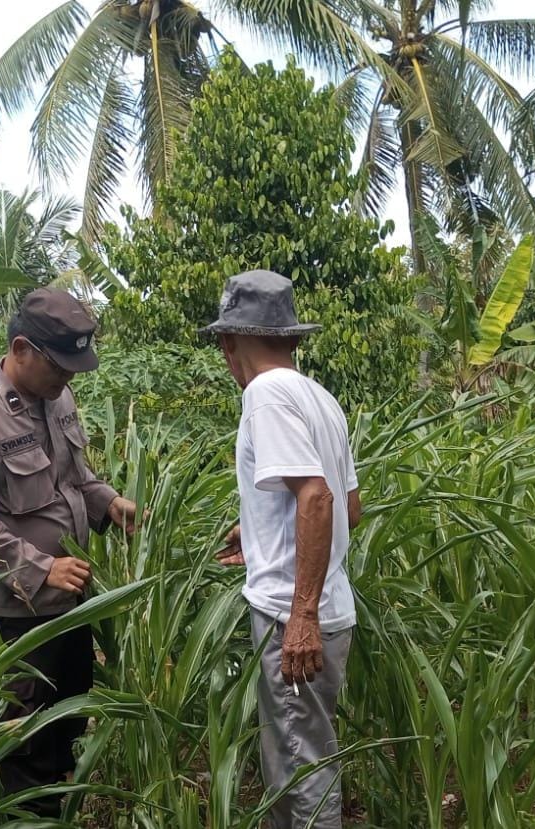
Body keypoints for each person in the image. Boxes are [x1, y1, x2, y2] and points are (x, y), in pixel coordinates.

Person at [0, 287, 139, 817]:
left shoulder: (58, 399)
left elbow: (75, 479)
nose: (68, 378)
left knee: (68, 728)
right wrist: (41, 568)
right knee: (25, 746)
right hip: (18, 618)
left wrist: (110, 503)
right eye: (59, 366)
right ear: (21, 349)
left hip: (72, 604)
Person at [205, 270, 361, 828]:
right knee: (293, 754)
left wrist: (301, 616)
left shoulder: (265, 395)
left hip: (291, 617)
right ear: (291, 337)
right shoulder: (319, 397)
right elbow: (348, 507)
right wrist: (260, 534)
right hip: (329, 610)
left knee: (303, 767)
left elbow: (316, 497)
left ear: (230, 341)